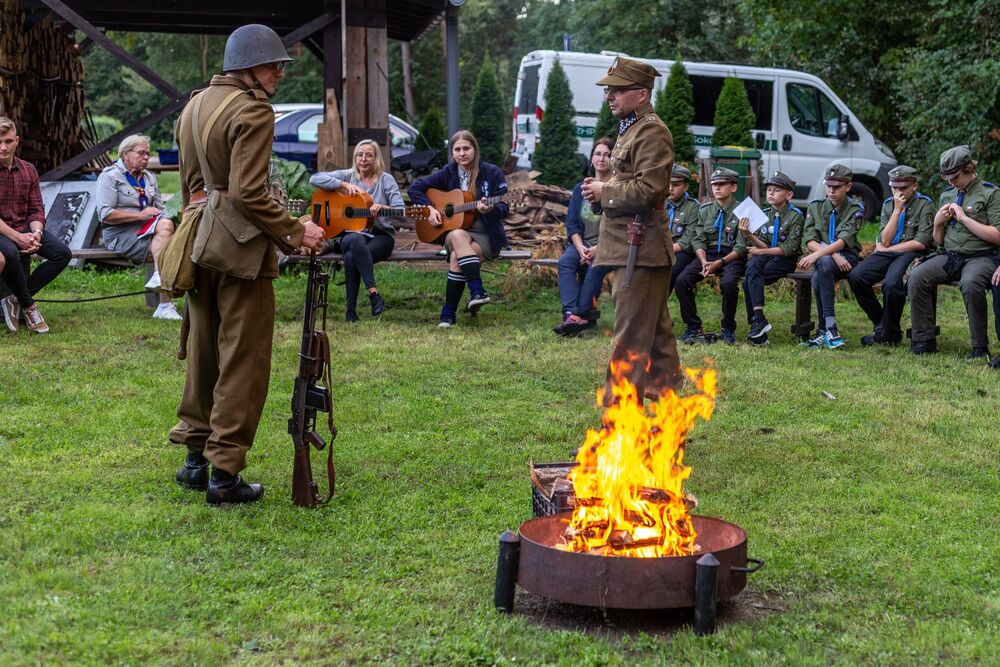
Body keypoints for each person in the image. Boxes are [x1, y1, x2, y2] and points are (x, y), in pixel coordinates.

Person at [169, 24, 325, 506]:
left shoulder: (195, 104)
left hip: (198, 239)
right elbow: (248, 192)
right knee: (244, 360)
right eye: (272, 64)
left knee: (203, 351)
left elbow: (194, 185)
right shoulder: (252, 110)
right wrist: (298, 232)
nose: (280, 72)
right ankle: (225, 474)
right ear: (246, 67)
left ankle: (196, 460)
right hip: (238, 250)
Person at [583, 56, 680, 401]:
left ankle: (616, 425)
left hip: (642, 251)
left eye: (618, 91)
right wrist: (599, 194)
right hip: (631, 250)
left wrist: (605, 191)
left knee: (630, 341)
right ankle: (670, 419)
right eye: (609, 90)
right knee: (655, 337)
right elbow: (629, 182)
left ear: (641, 95)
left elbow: (650, 190)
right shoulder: (631, 128)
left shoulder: (652, 131)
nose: (610, 96)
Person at [409, 130, 510, 327]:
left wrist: (489, 209)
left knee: (457, 257)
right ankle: (477, 289)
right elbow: (415, 188)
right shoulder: (448, 172)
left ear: (475, 150)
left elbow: (504, 208)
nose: (462, 153)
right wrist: (429, 209)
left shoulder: (492, 172)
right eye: (457, 149)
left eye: (466, 148)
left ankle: (448, 314)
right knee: (456, 234)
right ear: (452, 153)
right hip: (456, 232)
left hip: (486, 233)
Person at [907, 145, 1000, 359]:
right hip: (950, 256)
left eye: (955, 176)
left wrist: (964, 218)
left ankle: (979, 347)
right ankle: (924, 340)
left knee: (970, 283)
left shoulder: (990, 193)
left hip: (982, 256)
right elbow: (939, 241)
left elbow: (997, 235)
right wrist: (938, 223)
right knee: (917, 277)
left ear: (968, 168)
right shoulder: (948, 194)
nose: (950, 182)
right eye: (946, 177)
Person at [309, 139, 401, 322]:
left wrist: (382, 207)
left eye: (369, 155)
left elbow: (400, 207)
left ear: (376, 158)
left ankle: (350, 311)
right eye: (360, 155)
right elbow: (314, 178)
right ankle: (374, 295)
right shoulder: (348, 176)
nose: (363, 159)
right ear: (355, 157)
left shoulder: (385, 179)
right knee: (355, 241)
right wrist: (342, 185)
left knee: (352, 256)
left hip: (380, 236)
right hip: (351, 235)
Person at [96, 134, 182, 320]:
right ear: (125, 153)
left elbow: (161, 209)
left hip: (149, 230)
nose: (146, 158)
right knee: (167, 250)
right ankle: (164, 304)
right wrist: (139, 216)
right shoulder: (110, 177)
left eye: (148, 154)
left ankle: (160, 283)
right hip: (120, 233)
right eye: (141, 153)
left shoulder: (149, 178)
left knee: (167, 225)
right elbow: (106, 214)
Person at [847, 165, 933, 346]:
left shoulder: (924, 205)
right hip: (890, 251)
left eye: (903, 188)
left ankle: (889, 333)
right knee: (856, 276)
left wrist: (887, 250)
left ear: (914, 186)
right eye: (895, 187)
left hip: (911, 252)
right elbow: (885, 240)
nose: (898, 192)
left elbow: (921, 242)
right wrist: (896, 211)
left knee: (892, 283)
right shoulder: (888, 205)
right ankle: (884, 326)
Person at [0, 116, 71, 334]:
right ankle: (29, 305)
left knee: (62, 253)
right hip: (2, 231)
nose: (3, 147)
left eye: (8, 141)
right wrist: (18, 237)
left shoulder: (28, 170)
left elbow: (36, 209)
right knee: (11, 252)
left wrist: (37, 233)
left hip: (24, 227)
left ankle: (15, 298)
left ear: (17, 141)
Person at [673, 167, 744, 345]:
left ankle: (728, 328)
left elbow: (742, 247)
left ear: (733, 187)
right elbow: (698, 241)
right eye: (714, 185)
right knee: (682, 281)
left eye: (721, 184)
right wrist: (704, 261)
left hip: (731, 257)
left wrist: (719, 263)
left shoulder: (743, 210)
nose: (717, 188)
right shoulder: (704, 211)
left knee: (728, 283)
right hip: (708, 254)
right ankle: (693, 327)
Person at [798, 164, 864, 349]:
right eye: (828, 186)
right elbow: (809, 239)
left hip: (848, 259)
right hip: (829, 258)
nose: (831, 190)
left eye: (837, 187)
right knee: (823, 266)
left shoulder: (855, 209)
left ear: (848, 186)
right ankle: (829, 328)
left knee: (821, 267)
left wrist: (818, 255)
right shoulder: (816, 207)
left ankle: (823, 330)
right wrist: (831, 254)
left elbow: (844, 241)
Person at [552, 137, 614, 336]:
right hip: (582, 244)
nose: (601, 158)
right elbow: (572, 224)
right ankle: (572, 313)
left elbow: (618, 228)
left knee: (595, 268)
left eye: (607, 154)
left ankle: (579, 316)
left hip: (609, 247)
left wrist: (597, 249)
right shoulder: (581, 189)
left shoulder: (616, 189)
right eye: (597, 153)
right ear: (591, 158)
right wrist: (580, 248)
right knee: (566, 262)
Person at [741, 171, 805, 345]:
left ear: (789, 195)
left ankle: (757, 325)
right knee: (752, 269)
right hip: (767, 256)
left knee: (750, 280)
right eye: (769, 189)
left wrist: (761, 252)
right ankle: (759, 322)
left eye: (776, 190)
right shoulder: (765, 214)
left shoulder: (796, 216)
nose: (771, 193)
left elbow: (788, 248)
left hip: (785, 260)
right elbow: (763, 244)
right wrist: (749, 235)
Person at [666, 164, 701, 294]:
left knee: (670, 271)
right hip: (660, 249)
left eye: (675, 185)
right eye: (668, 183)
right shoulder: (661, 203)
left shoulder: (693, 207)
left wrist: (664, 250)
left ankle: (659, 307)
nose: (670, 188)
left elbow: (687, 240)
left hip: (682, 252)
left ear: (685, 186)